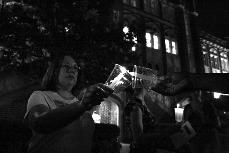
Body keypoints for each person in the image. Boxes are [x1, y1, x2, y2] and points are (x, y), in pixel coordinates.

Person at [24, 55, 113, 153]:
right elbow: (39, 123)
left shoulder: (80, 101)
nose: (72, 70)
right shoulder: (40, 96)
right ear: (54, 71)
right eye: (66, 66)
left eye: (75, 68)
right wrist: (82, 105)